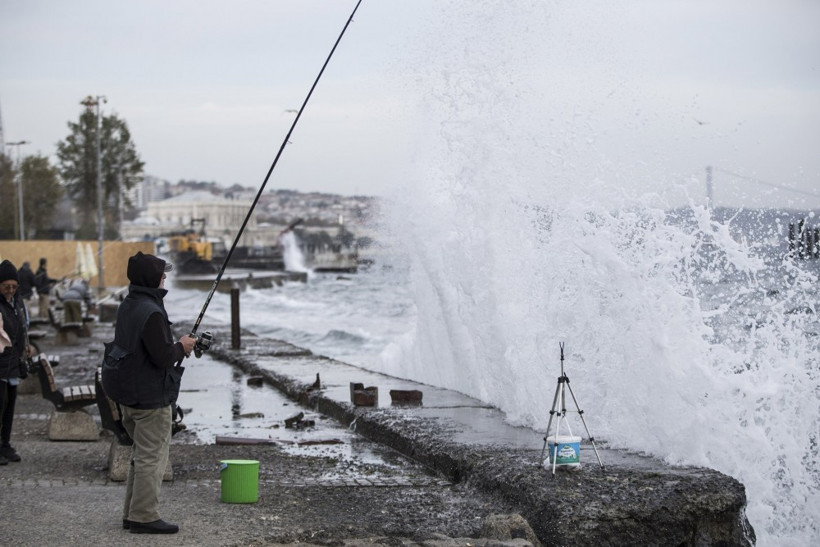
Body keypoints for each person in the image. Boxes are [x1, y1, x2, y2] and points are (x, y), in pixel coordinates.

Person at [101, 252, 195, 535]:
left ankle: (133, 513)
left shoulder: (129, 304)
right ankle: (143, 516)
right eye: (161, 275)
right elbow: (163, 357)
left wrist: (176, 345)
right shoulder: (151, 311)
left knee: (141, 456)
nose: (165, 278)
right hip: (149, 397)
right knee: (152, 458)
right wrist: (182, 346)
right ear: (152, 279)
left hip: (129, 393)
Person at [0, 259, 32, 466]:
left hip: (13, 362)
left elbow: (22, 327)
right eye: (6, 287)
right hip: (1, 362)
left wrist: (26, 345)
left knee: (10, 406)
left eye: (14, 286)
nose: (10, 290)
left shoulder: (17, 302)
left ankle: (5, 443)